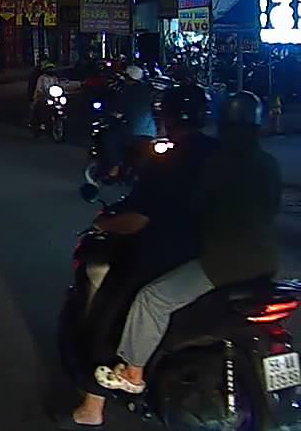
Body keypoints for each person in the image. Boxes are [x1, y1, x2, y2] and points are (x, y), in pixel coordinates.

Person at [95, 92, 282, 395]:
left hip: (223, 261)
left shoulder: (219, 164)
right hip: (266, 260)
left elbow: (196, 207)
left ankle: (133, 373)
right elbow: (272, 206)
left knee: (151, 299)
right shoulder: (269, 163)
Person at [58, 84, 220, 429]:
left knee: (107, 314)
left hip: (164, 254)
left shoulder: (169, 159)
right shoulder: (217, 152)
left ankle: (92, 409)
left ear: (167, 117)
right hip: (209, 253)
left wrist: (104, 223)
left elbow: (138, 219)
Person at [100, 65, 158, 178]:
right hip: (150, 133)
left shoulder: (127, 91)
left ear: (128, 77)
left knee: (109, 138)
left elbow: (119, 111)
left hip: (132, 132)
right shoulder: (148, 90)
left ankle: (115, 167)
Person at [29, 61, 58, 128]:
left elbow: (58, 86)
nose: (51, 70)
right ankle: (37, 121)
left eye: (52, 68)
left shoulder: (55, 78)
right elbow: (39, 88)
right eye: (49, 68)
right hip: (43, 96)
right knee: (38, 106)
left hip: (53, 96)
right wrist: (43, 93)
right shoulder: (41, 78)